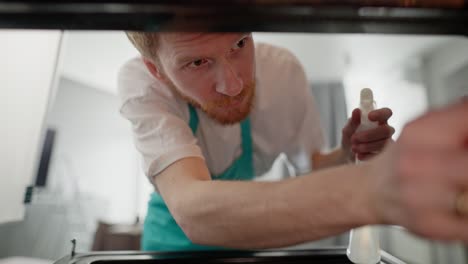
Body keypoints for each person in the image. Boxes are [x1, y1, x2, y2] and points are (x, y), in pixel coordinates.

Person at [118, 32, 468, 251]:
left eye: (240, 43)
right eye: (197, 62)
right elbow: (193, 212)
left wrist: (349, 154)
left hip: (244, 237)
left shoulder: (283, 73)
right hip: (168, 244)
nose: (234, 84)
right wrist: (376, 188)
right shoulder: (143, 84)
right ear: (158, 71)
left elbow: (311, 168)